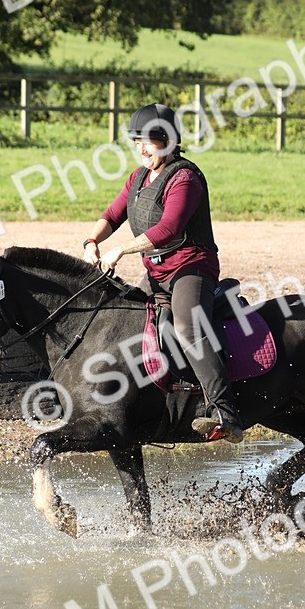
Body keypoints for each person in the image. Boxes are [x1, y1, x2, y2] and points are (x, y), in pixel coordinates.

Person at [81, 102, 243, 443]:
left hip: (190, 268)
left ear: (168, 141)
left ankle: (225, 413)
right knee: (128, 324)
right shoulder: (138, 178)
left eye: (148, 141)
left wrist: (121, 249)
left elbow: (169, 228)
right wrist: (92, 240)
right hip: (156, 273)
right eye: (136, 140)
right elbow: (112, 215)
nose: (141, 148)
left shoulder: (186, 177)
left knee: (185, 326)